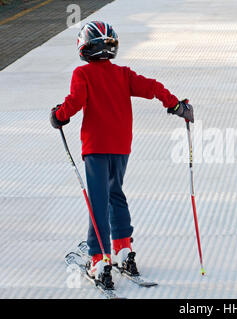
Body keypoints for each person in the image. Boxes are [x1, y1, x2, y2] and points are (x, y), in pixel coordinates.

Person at [49, 21, 193, 287]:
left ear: (85, 47)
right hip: (121, 147)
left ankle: (99, 258)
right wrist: (176, 105)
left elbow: (75, 102)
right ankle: (123, 250)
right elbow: (152, 87)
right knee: (116, 194)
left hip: (96, 149)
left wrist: (58, 116)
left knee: (98, 201)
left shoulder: (83, 74)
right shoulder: (124, 74)